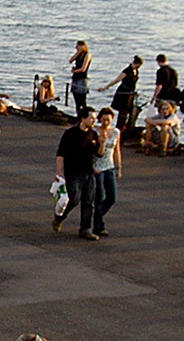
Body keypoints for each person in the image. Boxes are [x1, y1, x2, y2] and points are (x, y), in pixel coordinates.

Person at [53, 108, 99, 239]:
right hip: (73, 172)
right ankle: (60, 217)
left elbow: (98, 154)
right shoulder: (70, 134)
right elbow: (60, 153)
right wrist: (58, 173)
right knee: (74, 198)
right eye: (92, 118)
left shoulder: (93, 134)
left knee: (89, 201)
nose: (94, 121)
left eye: (95, 118)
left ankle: (86, 229)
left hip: (88, 172)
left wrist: (103, 141)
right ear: (83, 119)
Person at [93, 107, 123, 237]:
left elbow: (116, 150)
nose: (105, 122)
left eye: (108, 120)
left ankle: (96, 216)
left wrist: (119, 167)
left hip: (109, 166)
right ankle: (99, 225)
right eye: (103, 120)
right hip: (97, 167)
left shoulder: (115, 132)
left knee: (111, 197)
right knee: (99, 197)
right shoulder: (94, 132)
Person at [104, 56, 143, 128]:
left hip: (130, 94)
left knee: (133, 110)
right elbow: (116, 80)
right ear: (135, 63)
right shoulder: (127, 71)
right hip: (123, 94)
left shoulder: (136, 71)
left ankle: (129, 126)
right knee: (123, 112)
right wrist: (105, 87)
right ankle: (120, 127)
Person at [67, 40, 91, 112]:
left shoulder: (87, 55)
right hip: (75, 78)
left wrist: (75, 71)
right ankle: (78, 115)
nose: (76, 48)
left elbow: (83, 68)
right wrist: (78, 53)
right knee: (77, 100)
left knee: (82, 100)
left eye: (78, 46)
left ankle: (84, 115)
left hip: (82, 78)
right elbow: (71, 60)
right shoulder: (78, 54)